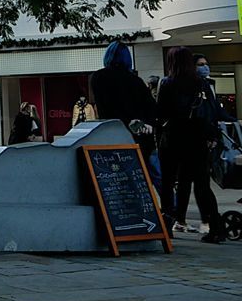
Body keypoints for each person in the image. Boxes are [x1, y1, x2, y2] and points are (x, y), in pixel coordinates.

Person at [157, 46, 227, 243]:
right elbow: (210, 112)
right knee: (203, 185)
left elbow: (161, 113)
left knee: (169, 183)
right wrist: (211, 136)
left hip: (173, 140)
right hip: (198, 140)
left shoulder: (168, 83)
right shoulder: (201, 84)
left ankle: (168, 226)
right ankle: (216, 227)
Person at [172, 53, 235, 234]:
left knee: (189, 182)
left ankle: (185, 220)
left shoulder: (207, 85)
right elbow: (201, 114)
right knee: (198, 182)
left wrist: (232, 121)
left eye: (206, 64)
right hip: (195, 141)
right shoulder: (189, 86)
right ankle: (207, 222)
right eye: (200, 64)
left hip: (200, 140)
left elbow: (214, 110)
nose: (204, 67)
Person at [90, 41, 160, 187]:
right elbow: (151, 108)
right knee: (154, 172)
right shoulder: (135, 80)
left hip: (112, 134)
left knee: (120, 177)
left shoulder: (98, 78)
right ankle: (170, 205)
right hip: (139, 134)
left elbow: (105, 107)